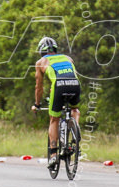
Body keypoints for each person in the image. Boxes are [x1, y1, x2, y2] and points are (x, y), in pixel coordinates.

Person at [31, 37, 81, 168]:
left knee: (54, 119)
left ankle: (53, 155)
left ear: (41, 51)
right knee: (75, 110)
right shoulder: (68, 58)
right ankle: (75, 133)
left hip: (59, 86)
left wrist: (37, 104)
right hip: (75, 84)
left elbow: (39, 87)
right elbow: (72, 74)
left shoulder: (41, 62)